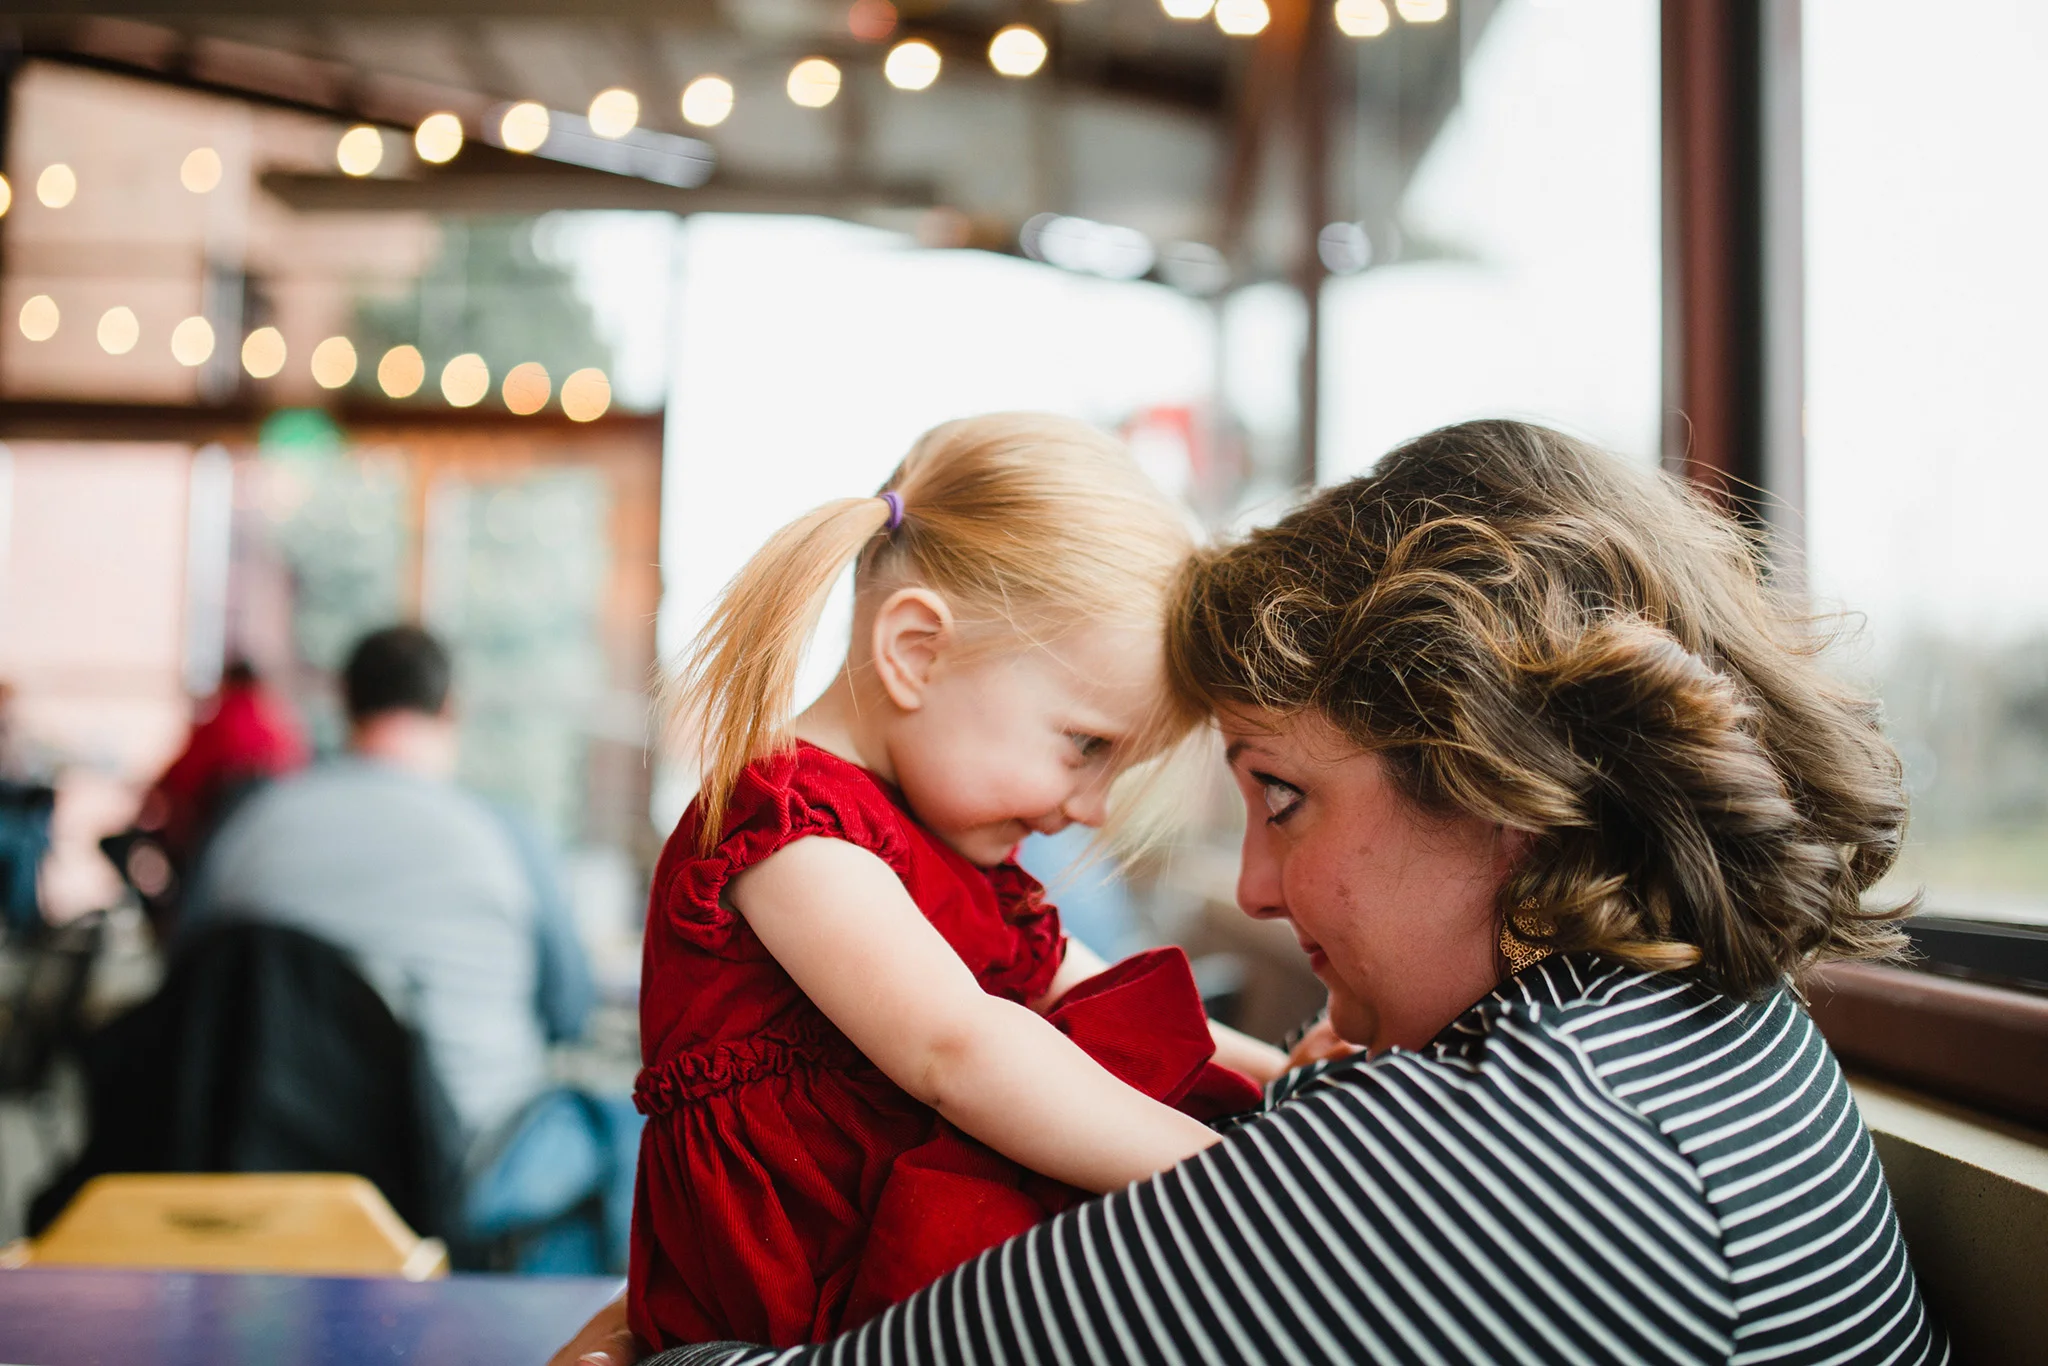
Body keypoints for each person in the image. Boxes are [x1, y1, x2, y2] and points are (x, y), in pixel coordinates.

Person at [555, 419, 1944, 1366]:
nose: (1253, 888)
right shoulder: (1716, 1038)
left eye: (1281, 795)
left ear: (1497, 779)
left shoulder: (1497, 1164)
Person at [627, 413, 1288, 1351]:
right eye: (1086, 747)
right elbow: (960, 1050)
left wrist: (1274, 1069)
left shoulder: (944, 842)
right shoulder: (784, 828)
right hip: (791, 1317)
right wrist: (1227, 1179)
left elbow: (1077, 986)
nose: (1091, 808)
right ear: (915, 651)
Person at [186, 625, 592, 1149]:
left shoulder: (247, 827)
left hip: (268, 1155)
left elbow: (189, 985)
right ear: (450, 710)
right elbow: (567, 1012)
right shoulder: (510, 841)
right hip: (460, 1170)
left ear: (344, 704)